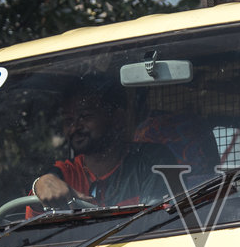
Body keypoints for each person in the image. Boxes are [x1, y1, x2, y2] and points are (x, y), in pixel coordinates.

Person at [33, 77, 176, 209]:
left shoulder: (151, 162)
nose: (75, 127)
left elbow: (155, 222)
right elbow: (31, 227)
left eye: (85, 116)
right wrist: (40, 184)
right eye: (68, 120)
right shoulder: (64, 174)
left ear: (117, 118)